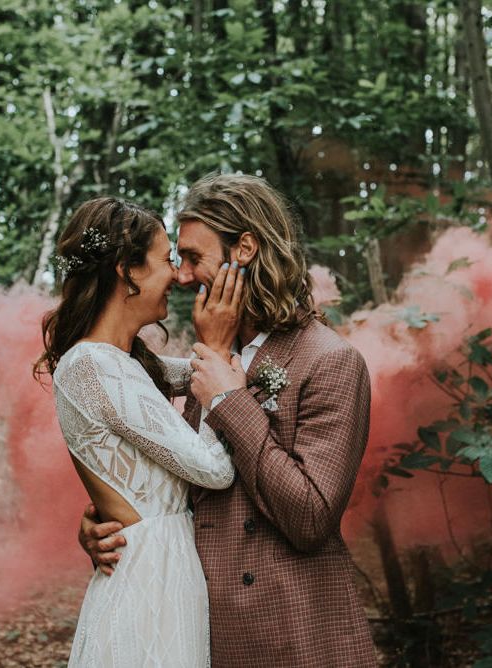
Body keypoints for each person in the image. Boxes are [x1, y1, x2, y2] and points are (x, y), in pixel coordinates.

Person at [80, 174, 378, 667]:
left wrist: (229, 401)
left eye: (194, 258)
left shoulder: (331, 361)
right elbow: (186, 482)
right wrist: (111, 519)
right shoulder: (209, 357)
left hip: (292, 637)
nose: (180, 276)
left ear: (244, 249)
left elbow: (310, 518)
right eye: (177, 259)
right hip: (199, 631)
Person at [35, 196, 249, 667]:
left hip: (165, 570)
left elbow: (191, 375)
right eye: (168, 260)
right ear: (126, 271)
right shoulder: (92, 366)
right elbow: (214, 469)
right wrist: (215, 346)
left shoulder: (122, 363)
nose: (177, 275)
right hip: (151, 581)